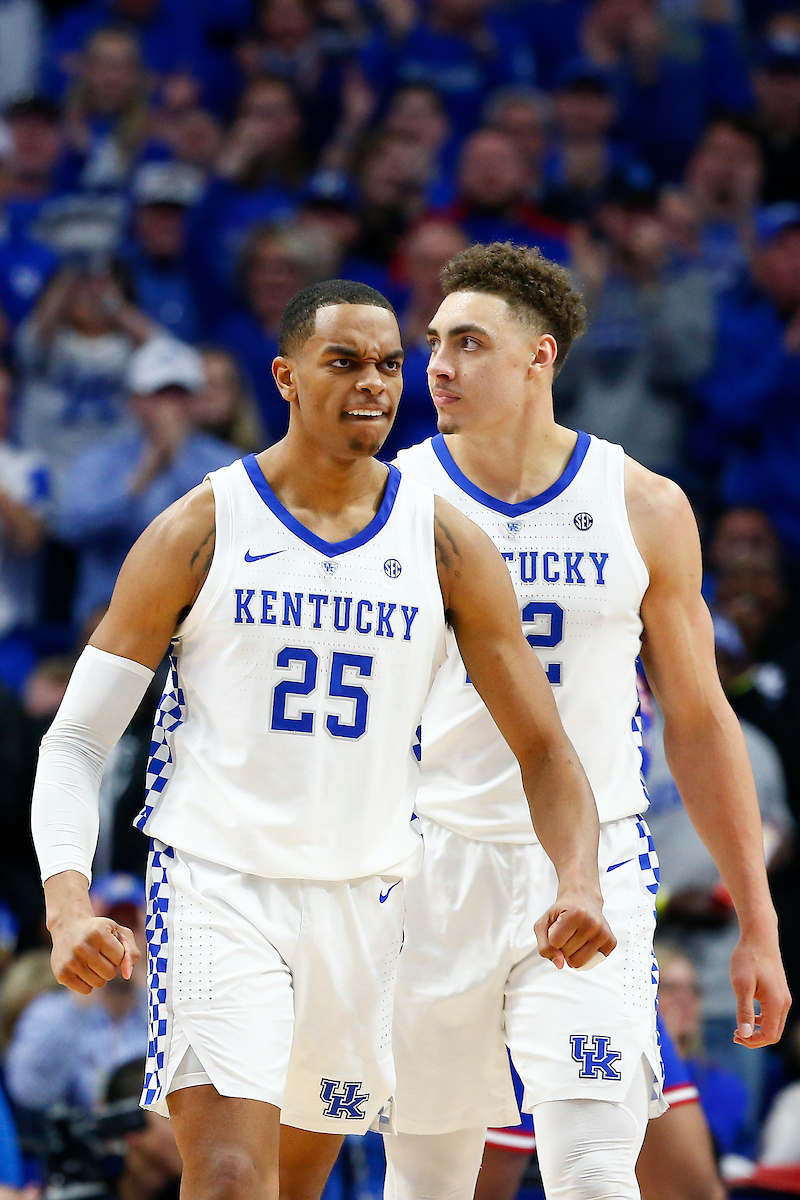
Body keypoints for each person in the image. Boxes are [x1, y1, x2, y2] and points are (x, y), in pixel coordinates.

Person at [30, 280, 614, 1200]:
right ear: (287, 377)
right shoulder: (205, 523)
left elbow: (545, 749)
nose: (374, 384)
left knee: (293, 1187)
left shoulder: (445, 543)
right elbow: (73, 742)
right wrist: (67, 904)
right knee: (227, 1176)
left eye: (389, 364)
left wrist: (579, 877)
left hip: (366, 901)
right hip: (219, 883)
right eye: (343, 361)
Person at [387, 242, 790, 1200]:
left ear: (542, 358)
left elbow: (699, 721)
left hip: (594, 863)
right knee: (432, 1183)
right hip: (427, 865)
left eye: (470, 343)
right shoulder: (393, 499)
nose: (438, 364)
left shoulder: (643, 504)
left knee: (598, 1168)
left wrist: (758, 923)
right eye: (435, 342)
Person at [57, 336, 238, 624]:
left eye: (179, 394)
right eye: (159, 394)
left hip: (200, 610)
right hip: (112, 609)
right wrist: (143, 474)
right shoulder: (100, 459)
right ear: (135, 401)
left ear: (194, 400)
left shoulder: (226, 462)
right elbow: (71, 526)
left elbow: (235, 526)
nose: (170, 406)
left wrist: (178, 457)